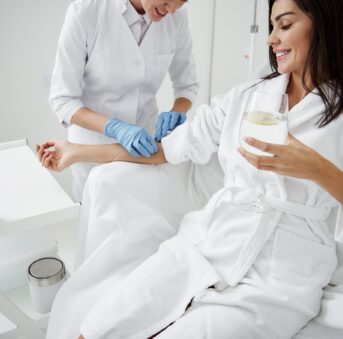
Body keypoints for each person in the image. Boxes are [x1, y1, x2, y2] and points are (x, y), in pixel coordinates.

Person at [38, 0, 343, 337]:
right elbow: (164, 150)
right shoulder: (248, 96)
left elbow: (187, 86)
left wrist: (318, 169)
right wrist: (78, 150)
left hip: (281, 274)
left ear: (325, 26)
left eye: (284, 26)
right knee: (100, 324)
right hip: (209, 242)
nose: (271, 39)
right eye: (271, 27)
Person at [49, 0, 200, 201]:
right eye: (168, 0)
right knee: (95, 224)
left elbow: (187, 85)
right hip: (92, 150)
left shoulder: (176, 18)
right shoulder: (86, 12)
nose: (171, 10)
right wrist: (114, 127)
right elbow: (63, 99)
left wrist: (177, 110)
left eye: (181, 2)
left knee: (142, 222)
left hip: (144, 149)